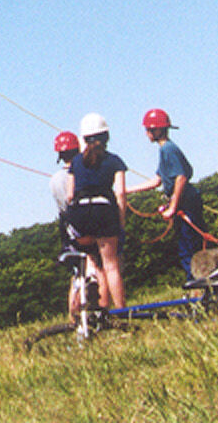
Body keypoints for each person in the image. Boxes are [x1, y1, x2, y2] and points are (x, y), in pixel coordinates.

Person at [127, 108, 206, 279]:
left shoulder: (168, 149)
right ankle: (199, 283)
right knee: (188, 247)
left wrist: (172, 207)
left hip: (187, 203)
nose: (146, 133)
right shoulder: (165, 150)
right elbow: (157, 180)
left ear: (158, 129)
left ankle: (198, 283)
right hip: (184, 202)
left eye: (149, 129)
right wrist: (127, 190)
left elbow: (181, 178)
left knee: (190, 248)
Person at [64, 112, 129, 309]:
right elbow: (121, 193)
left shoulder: (75, 162)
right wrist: (120, 221)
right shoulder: (115, 161)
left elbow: (69, 195)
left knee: (95, 263)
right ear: (106, 137)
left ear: (83, 139)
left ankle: (100, 310)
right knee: (111, 265)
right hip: (103, 210)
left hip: (80, 214)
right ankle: (122, 312)